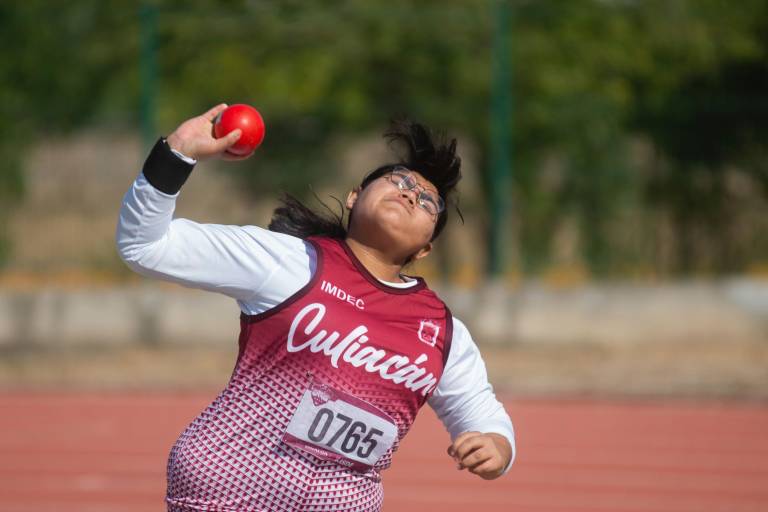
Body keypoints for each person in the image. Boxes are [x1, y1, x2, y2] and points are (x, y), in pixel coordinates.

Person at [116, 104, 515, 512]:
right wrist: (178, 151)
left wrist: (497, 449)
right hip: (225, 497)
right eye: (397, 181)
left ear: (426, 247)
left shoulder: (442, 331)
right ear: (354, 197)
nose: (411, 193)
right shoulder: (289, 261)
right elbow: (146, 246)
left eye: (429, 202)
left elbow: (483, 417)